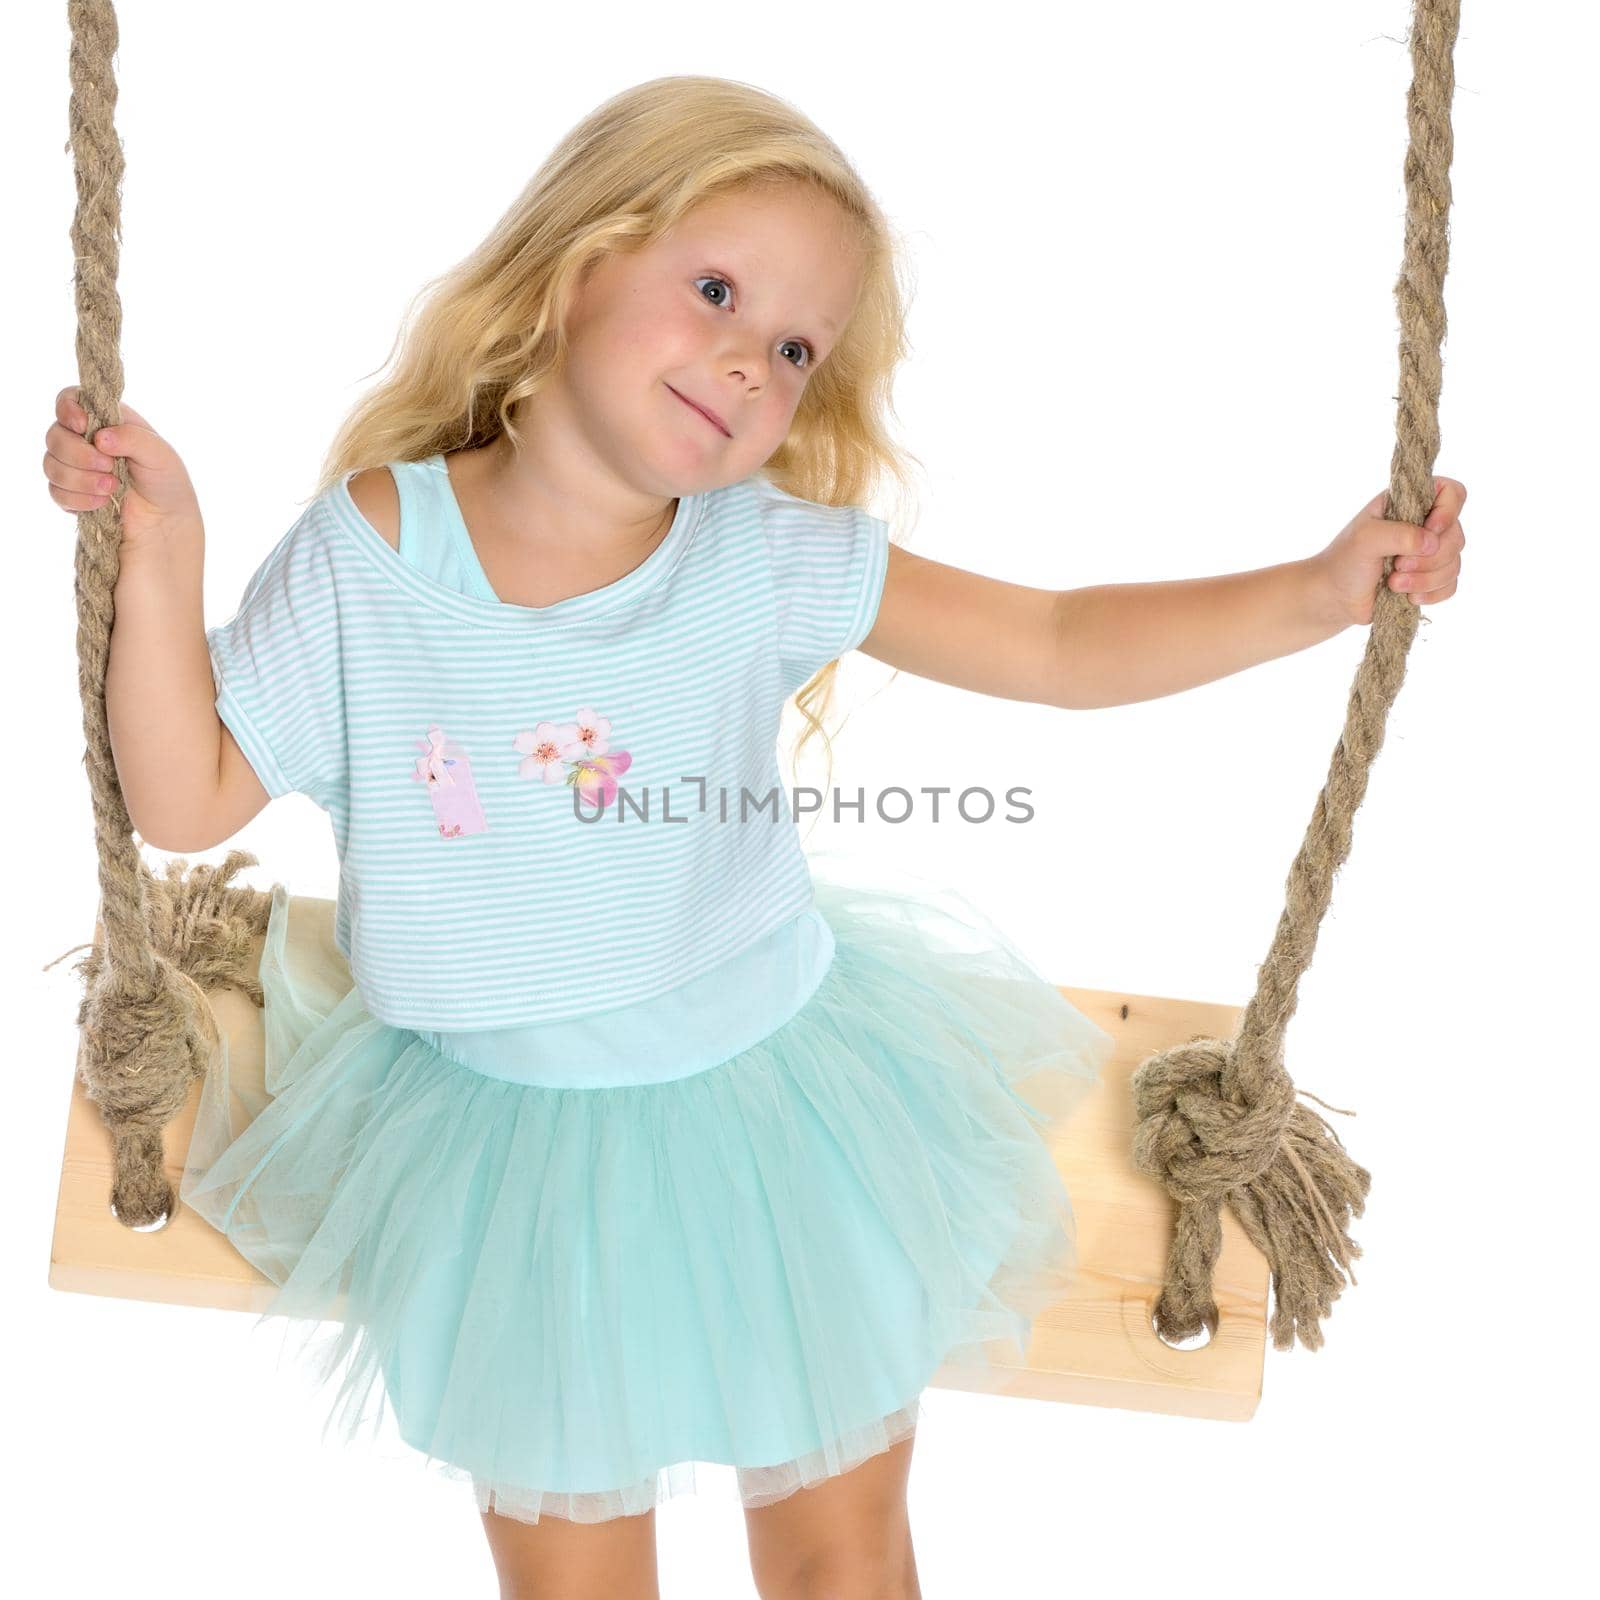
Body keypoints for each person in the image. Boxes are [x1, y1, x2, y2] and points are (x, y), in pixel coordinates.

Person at [42, 73, 1466, 1600]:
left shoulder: (756, 554)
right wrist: (163, 545)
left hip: (780, 1111)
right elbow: (186, 799)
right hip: (496, 1153)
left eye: (794, 346)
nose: (748, 359)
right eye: (715, 291)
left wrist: (1315, 594)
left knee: (844, 1564)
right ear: (578, 264)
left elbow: (1054, 644)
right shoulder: (375, 552)